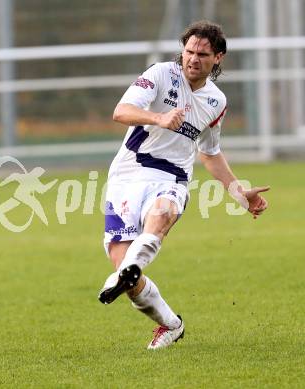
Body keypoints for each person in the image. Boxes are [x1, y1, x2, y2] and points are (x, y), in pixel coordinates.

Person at [98, 20, 269, 350]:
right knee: (128, 275)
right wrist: (159, 117)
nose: (193, 58)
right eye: (189, 51)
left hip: (170, 178)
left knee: (162, 213)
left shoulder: (215, 102)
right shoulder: (161, 74)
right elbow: (121, 112)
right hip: (125, 177)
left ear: (217, 58)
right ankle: (171, 324)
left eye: (202, 54)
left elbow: (210, 153)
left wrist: (239, 193)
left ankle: (129, 269)